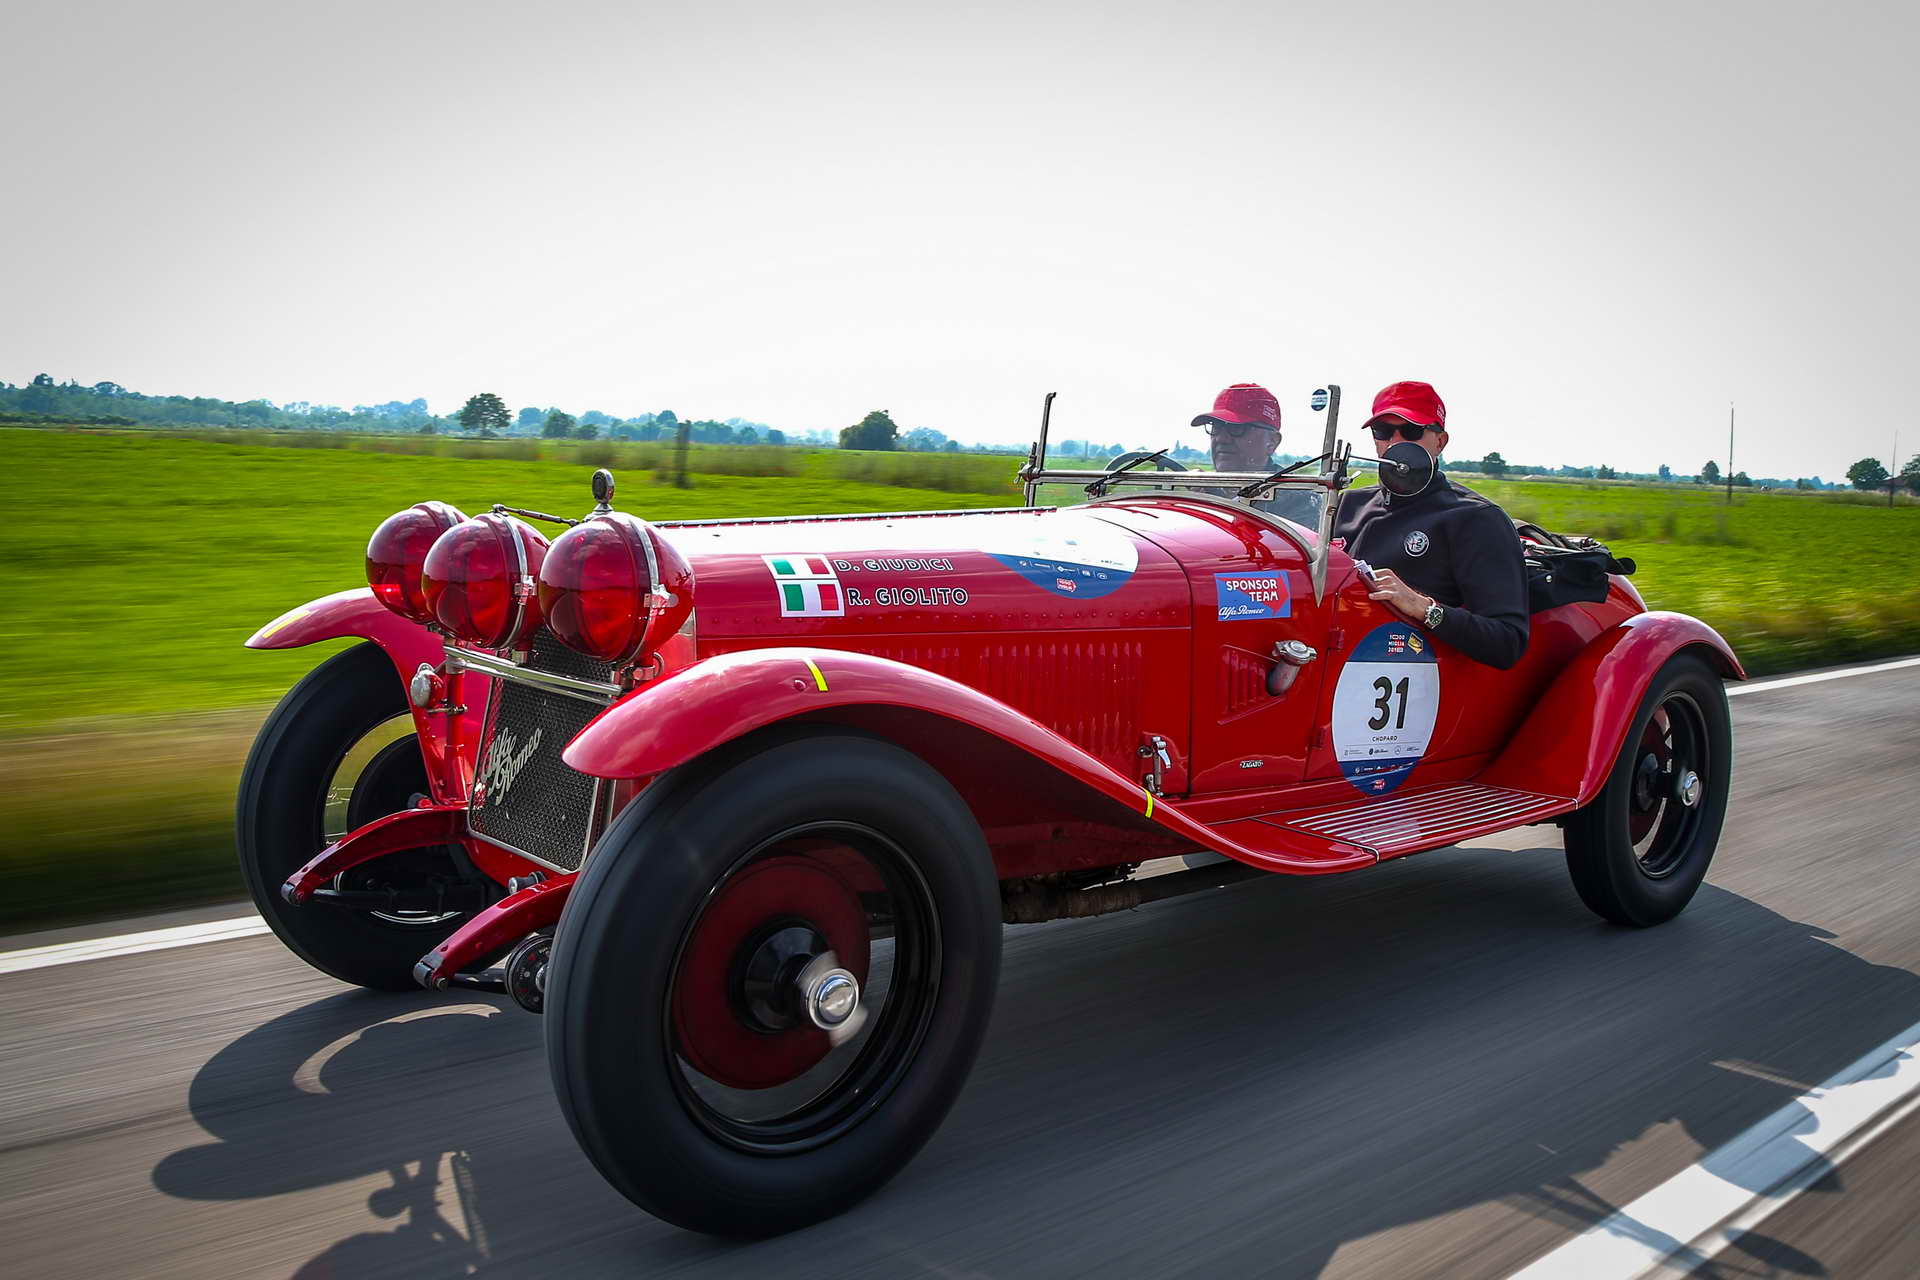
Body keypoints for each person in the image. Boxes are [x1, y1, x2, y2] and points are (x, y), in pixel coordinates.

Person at [1331, 381, 1529, 669]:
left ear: (1440, 442)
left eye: (1411, 431)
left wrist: (1422, 607)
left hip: (1409, 668)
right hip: (1333, 658)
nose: (1395, 442)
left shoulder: (1476, 518)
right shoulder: (1346, 504)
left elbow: (1507, 642)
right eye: (1383, 431)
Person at [1190, 383, 1318, 525]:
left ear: (1272, 442)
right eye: (1216, 427)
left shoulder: (1299, 500)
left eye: (1236, 428)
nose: (1221, 439)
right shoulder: (1202, 492)